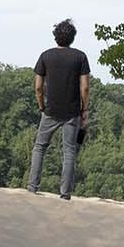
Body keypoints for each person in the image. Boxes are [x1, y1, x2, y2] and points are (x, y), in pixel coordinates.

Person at [28, 18, 90, 199]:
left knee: (40, 147)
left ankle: (32, 187)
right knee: (69, 151)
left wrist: (41, 105)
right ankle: (65, 193)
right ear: (73, 37)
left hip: (50, 109)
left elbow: (38, 86)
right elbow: (85, 87)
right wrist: (84, 109)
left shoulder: (45, 56)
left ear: (55, 36)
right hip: (72, 111)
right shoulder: (80, 57)